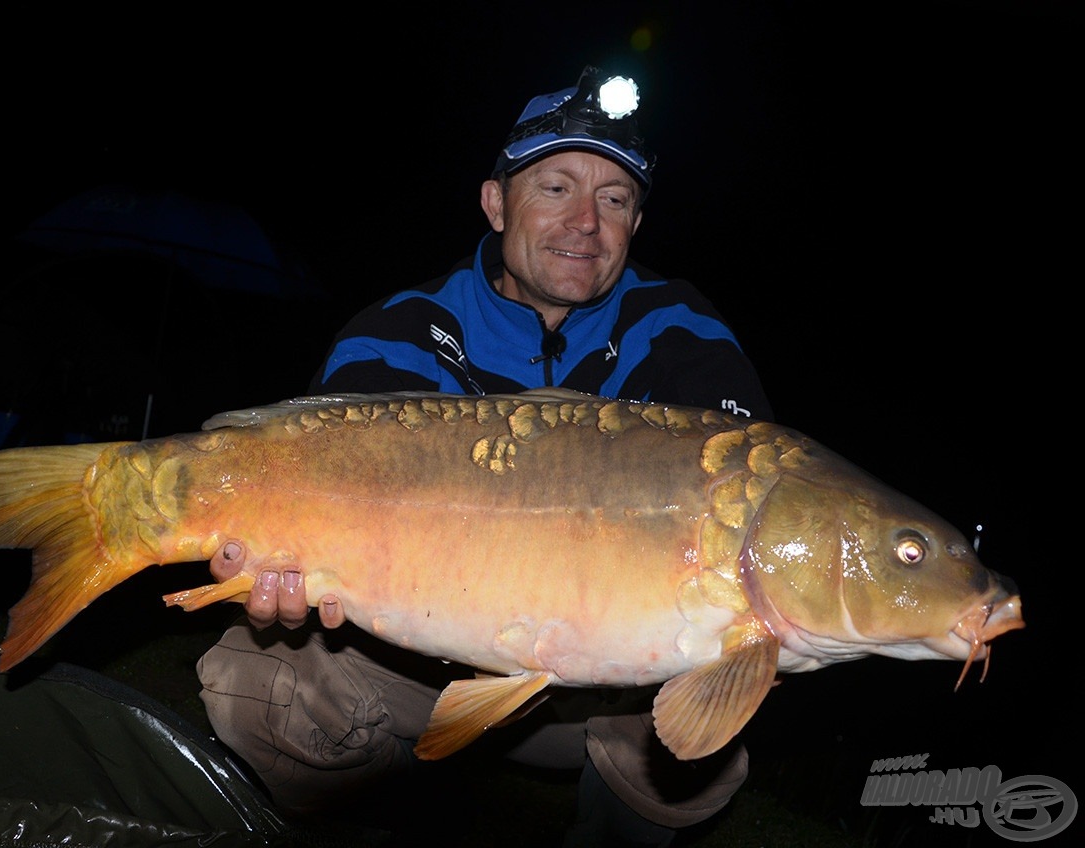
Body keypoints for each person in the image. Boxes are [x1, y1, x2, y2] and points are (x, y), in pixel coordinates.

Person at [197, 65, 773, 847]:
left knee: (709, 737)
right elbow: (312, 492)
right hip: (414, 667)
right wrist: (284, 565)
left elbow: (748, 513)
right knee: (256, 679)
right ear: (496, 202)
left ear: (636, 225)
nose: (586, 223)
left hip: (606, 695)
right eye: (557, 188)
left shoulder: (681, 333)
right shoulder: (398, 331)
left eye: (615, 200)